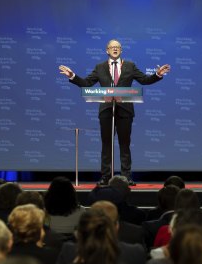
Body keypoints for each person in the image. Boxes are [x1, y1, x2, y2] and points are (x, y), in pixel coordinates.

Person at [59, 39, 171, 185]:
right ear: (107, 50)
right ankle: (106, 176)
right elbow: (87, 83)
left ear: (121, 50)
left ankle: (126, 176)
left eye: (118, 47)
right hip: (106, 110)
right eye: (112, 47)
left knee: (125, 144)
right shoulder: (100, 67)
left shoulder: (130, 66)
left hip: (125, 110)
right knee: (106, 145)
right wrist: (72, 76)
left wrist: (157, 74)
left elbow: (144, 80)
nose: (115, 49)